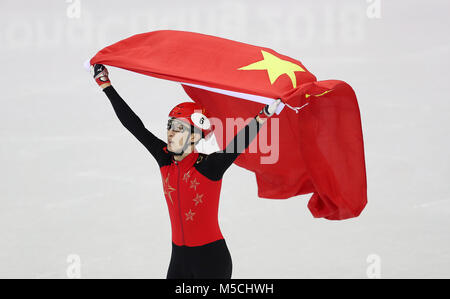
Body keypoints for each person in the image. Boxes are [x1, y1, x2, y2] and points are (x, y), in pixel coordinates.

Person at [92, 64, 281, 279]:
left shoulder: (208, 167)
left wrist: (263, 115)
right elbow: (135, 126)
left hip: (211, 261)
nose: (171, 133)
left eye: (179, 128)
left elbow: (238, 143)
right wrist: (106, 85)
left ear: (195, 136)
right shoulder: (164, 158)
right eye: (170, 126)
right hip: (179, 259)